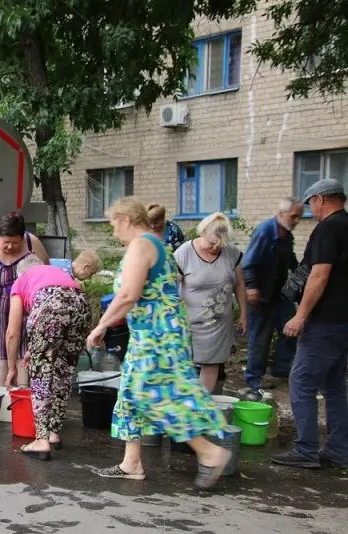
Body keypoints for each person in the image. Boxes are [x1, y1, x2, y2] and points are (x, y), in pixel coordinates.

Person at [86, 197, 229, 489]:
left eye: (114, 225)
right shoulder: (153, 244)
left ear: (126, 219)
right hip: (148, 333)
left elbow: (128, 295)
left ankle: (210, 452)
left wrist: (100, 326)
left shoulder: (142, 245)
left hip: (158, 336)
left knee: (153, 395)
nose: (114, 232)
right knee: (129, 395)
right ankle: (132, 462)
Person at [272, 179, 348, 469]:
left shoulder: (328, 228)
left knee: (301, 381)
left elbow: (319, 275)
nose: (309, 211)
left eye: (310, 205)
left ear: (320, 199)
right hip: (343, 322)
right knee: (334, 386)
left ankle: (305, 450)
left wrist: (301, 315)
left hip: (325, 321)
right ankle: (340, 451)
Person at [5, 251, 99, 460]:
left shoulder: (21, 282)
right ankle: (54, 433)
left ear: (21, 273)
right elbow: (56, 325)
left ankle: (41, 440)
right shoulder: (56, 273)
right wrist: (36, 348)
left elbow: (13, 332)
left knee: (41, 375)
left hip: (50, 306)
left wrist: (12, 367)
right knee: (63, 372)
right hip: (80, 306)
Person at [174, 213, 248, 393]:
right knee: (184, 365)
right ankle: (185, 404)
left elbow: (239, 284)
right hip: (188, 323)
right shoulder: (185, 252)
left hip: (219, 326)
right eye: (212, 243)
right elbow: (172, 286)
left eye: (220, 244)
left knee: (212, 365)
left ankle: (202, 408)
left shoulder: (231, 253)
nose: (216, 248)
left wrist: (244, 314)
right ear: (202, 232)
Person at [0, 212, 50, 387]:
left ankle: (23, 399)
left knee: (25, 361)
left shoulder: (33, 243)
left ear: (22, 237)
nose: (10, 246)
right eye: (6, 242)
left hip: (29, 311)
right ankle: (2, 404)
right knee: (2, 361)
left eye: (15, 243)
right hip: (1, 311)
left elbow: (47, 275)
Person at [241, 198, 303, 391]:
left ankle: (280, 369)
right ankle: (253, 378)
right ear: (281, 213)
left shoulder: (287, 235)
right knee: (260, 338)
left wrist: (302, 273)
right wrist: (251, 287)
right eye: (294, 216)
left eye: (299, 217)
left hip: (280, 295)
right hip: (260, 295)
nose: (296, 221)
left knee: (291, 330)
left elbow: (291, 260)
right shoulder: (265, 231)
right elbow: (248, 262)